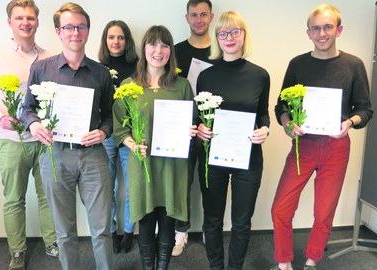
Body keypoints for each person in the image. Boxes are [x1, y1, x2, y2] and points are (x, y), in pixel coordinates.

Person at [270, 4, 373, 270]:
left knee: (324, 211)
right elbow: (281, 106)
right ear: (308, 32)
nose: (322, 33)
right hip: (302, 145)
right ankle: (283, 263)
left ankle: (312, 260)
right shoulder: (298, 64)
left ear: (339, 29)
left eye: (328, 26)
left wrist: (349, 122)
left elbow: (365, 109)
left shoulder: (353, 65)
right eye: (316, 28)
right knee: (281, 209)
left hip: (336, 146)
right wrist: (286, 123)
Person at [21, 3, 114, 270]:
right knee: (64, 231)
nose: (75, 32)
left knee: (101, 228)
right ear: (59, 31)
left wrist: (104, 131)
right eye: (69, 27)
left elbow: (108, 114)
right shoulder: (41, 69)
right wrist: (35, 125)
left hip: (93, 155)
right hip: (55, 154)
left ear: (87, 31)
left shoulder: (101, 73)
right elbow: (28, 109)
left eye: (81, 27)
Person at [0, 1, 58, 269]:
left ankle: (51, 242)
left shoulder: (49, 58)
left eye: (31, 18)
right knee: (14, 199)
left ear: (37, 22)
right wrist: (1, 117)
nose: (26, 22)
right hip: (10, 141)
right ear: (9, 22)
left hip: (44, 140)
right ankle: (18, 252)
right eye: (20, 18)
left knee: (48, 195)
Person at [113, 25, 198, 270]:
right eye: (153, 44)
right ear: (144, 49)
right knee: (147, 222)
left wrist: (190, 130)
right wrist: (131, 144)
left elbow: (190, 121)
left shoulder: (181, 86)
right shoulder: (130, 87)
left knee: (168, 222)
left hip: (172, 165)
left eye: (164, 45)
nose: (158, 50)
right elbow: (120, 126)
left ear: (170, 51)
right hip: (143, 164)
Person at [196, 11, 270, 270]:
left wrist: (266, 129)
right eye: (223, 33)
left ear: (244, 35)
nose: (229, 37)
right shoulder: (205, 76)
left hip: (248, 157)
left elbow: (262, 113)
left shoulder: (260, 75)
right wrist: (200, 128)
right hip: (213, 158)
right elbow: (199, 116)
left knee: (241, 221)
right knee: (212, 219)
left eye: (235, 31)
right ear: (217, 37)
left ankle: (234, 267)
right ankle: (216, 266)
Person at [172, 0, 215, 257]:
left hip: (212, 130)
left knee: (211, 183)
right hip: (183, 129)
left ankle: (211, 231)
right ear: (186, 18)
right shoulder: (176, 51)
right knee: (181, 182)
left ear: (211, 16)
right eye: (194, 15)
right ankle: (181, 232)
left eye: (203, 14)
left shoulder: (222, 49)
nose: (198, 19)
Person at [98, 20, 139, 254]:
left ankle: (129, 231)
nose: (116, 42)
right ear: (105, 40)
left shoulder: (138, 67)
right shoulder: (97, 66)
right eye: (111, 37)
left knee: (132, 186)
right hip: (105, 135)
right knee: (107, 186)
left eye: (120, 37)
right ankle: (112, 230)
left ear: (127, 40)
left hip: (130, 135)